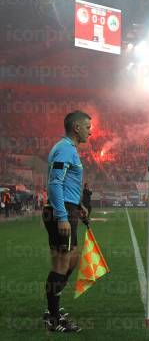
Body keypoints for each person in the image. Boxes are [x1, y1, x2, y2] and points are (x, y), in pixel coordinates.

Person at [42, 111, 91, 333]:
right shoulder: (64, 149)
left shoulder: (69, 149)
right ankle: (53, 318)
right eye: (88, 126)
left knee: (70, 261)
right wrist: (62, 216)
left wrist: (78, 205)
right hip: (60, 213)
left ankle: (53, 310)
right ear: (77, 128)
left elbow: (66, 184)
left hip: (69, 209)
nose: (90, 131)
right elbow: (54, 183)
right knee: (62, 263)